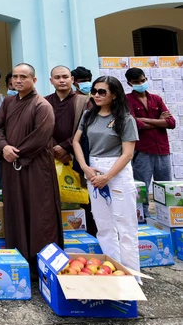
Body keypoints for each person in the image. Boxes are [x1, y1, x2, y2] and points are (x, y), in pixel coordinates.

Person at [0, 63, 62, 267]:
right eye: (15, 77)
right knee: (16, 208)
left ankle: (39, 261)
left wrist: (17, 154)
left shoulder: (42, 105)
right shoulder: (8, 103)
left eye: (23, 76)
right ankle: (19, 255)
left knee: (39, 211)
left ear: (34, 80)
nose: (18, 80)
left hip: (35, 167)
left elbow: (40, 137)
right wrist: (4, 147)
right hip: (11, 165)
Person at [73, 76, 140, 273]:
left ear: (115, 94)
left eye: (102, 91)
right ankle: (113, 268)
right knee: (103, 223)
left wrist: (107, 176)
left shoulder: (125, 119)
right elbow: (76, 141)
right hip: (93, 169)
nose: (96, 95)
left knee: (125, 224)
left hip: (117, 170)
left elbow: (128, 153)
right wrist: (84, 166)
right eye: (94, 91)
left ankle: (132, 273)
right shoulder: (88, 116)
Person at [45, 65, 95, 236]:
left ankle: (89, 236)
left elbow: (87, 127)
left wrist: (66, 146)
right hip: (51, 156)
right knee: (52, 196)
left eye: (65, 77)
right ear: (51, 81)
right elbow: (40, 128)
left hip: (77, 154)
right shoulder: (44, 102)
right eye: (57, 77)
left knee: (83, 197)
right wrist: (54, 147)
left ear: (72, 80)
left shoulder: (85, 101)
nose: (62, 80)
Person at [125, 68, 176, 201]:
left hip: (162, 149)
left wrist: (145, 120)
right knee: (141, 187)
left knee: (166, 186)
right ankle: (144, 215)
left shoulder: (156, 99)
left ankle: (166, 217)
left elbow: (171, 123)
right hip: (142, 150)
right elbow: (134, 124)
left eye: (143, 80)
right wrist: (160, 121)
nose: (141, 83)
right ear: (130, 83)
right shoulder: (127, 100)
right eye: (137, 82)